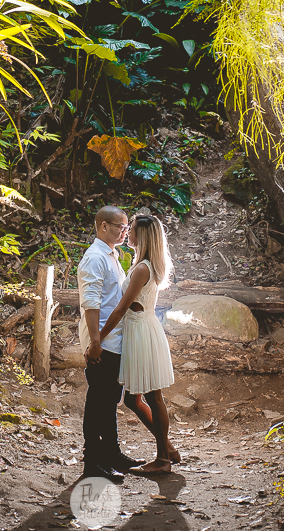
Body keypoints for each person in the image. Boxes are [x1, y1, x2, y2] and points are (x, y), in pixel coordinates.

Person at [97, 213, 179, 475]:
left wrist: (99, 337)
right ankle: (166, 448)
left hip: (141, 330)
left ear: (141, 235)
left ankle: (163, 459)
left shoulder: (143, 267)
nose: (126, 232)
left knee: (153, 396)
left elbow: (121, 308)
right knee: (135, 399)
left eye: (130, 229)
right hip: (142, 328)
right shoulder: (142, 264)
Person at [78, 205, 146, 484]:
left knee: (108, 402)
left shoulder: (112, 255)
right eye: (120, 226)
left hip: (113, 340)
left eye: (126, 227)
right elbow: (91, 303)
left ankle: (112, 454)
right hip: (102, 342)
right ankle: (92, 462)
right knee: (98, 403)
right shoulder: (95, 258)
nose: (124, 231)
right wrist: (96, 341)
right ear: (103, 226)